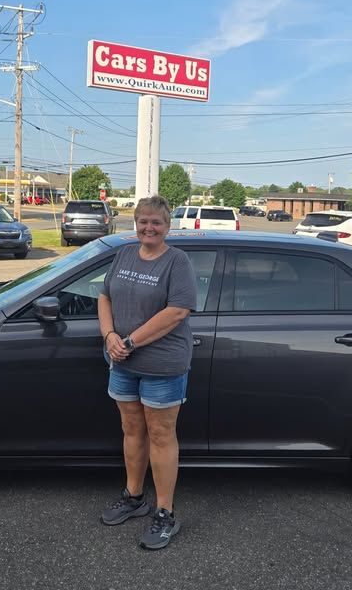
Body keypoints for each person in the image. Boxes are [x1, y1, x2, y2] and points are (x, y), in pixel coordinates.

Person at [97, 195, 196, 550]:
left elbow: (178, 311)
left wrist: (129, 341)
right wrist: (109, 336)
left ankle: (165, 512)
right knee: (131, 429)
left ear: (167, 226)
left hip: (161, 364)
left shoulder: (177, 261)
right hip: (123, 362)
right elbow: (104, 296)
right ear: (135, 223)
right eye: (143, 221)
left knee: (160, 434)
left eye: (156, 222)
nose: (149, 227)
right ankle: (134, 496)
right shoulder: (124, 254)